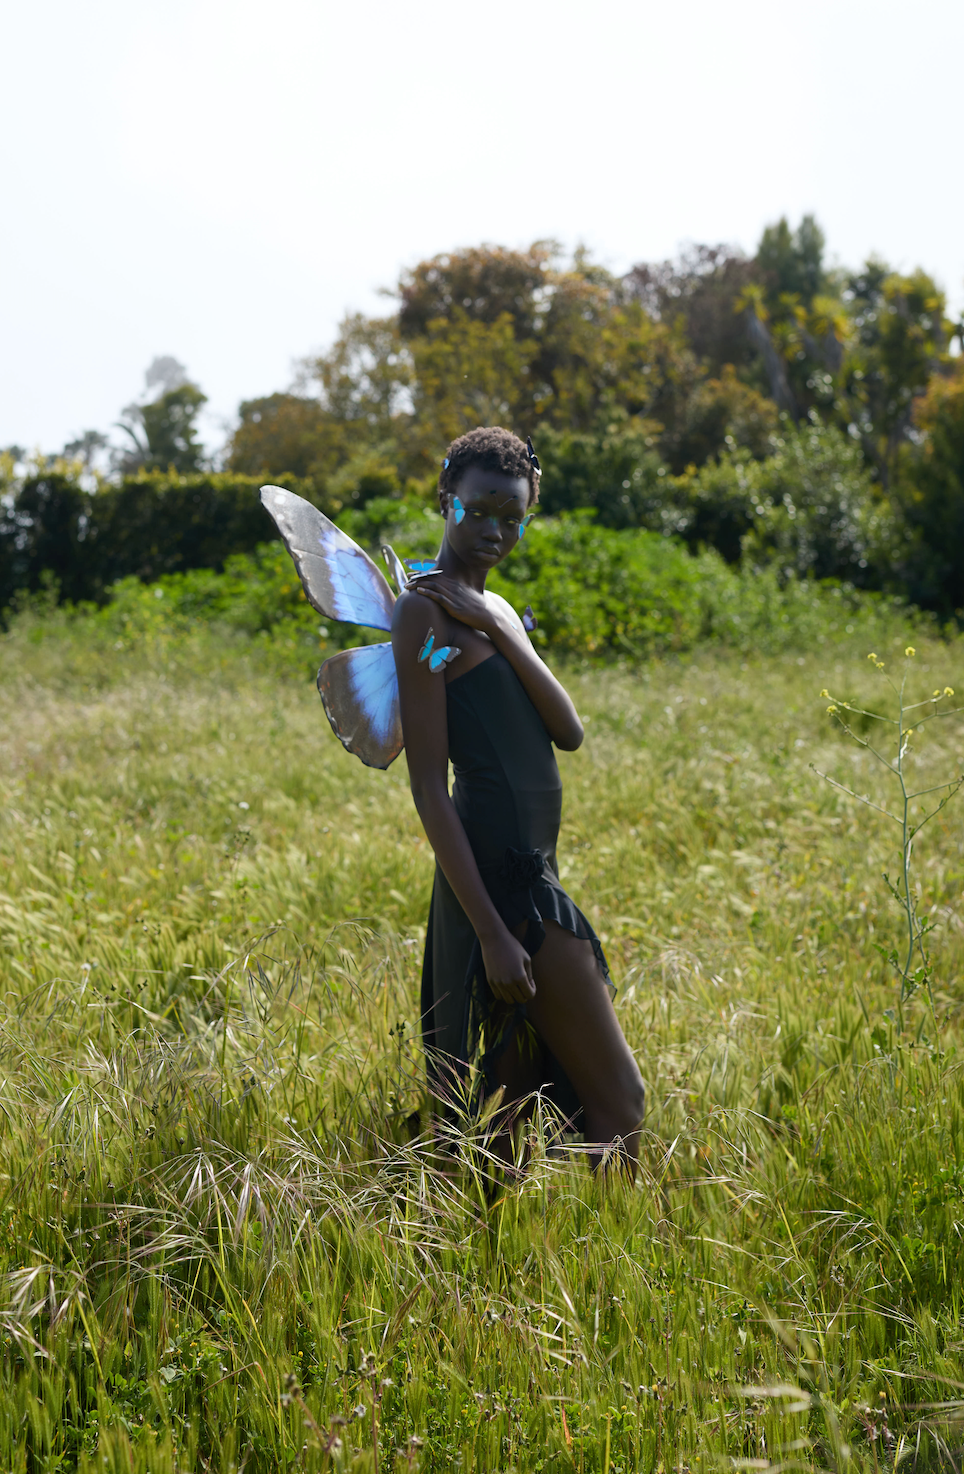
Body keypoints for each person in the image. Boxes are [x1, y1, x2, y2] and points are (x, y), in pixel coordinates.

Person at [391, 427, 645, 1170]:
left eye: (514, 517)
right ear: (447, 500)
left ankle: (506, 1272)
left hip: (533, 873)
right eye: (480, 511)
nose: (497, 530)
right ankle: (610, 1268)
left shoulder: (489, 610)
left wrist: (506, 629)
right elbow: (429, 790)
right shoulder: (424, 620)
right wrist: (494, 934)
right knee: (618, 1101)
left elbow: (568, 731)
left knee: (507, 1117)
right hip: (504, 892)